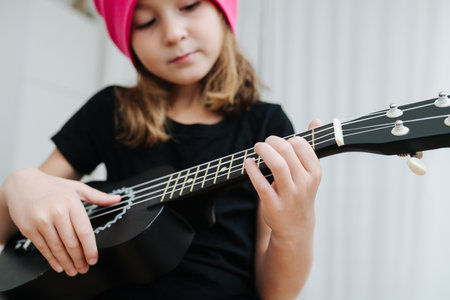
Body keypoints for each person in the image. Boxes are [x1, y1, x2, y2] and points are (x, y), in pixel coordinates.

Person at [0, 0, 322, 299]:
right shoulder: (112, 110)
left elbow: (276, 293)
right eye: (147, 21)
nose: (173, 34)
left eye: (189, 5)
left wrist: (295, 227)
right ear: (128, 39)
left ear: (224, 12)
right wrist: (20, 185)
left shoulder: (266, 124)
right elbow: (9, 228)